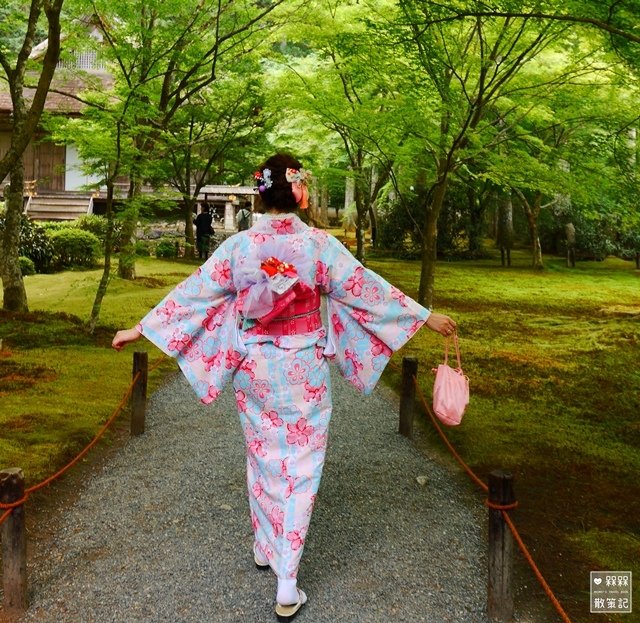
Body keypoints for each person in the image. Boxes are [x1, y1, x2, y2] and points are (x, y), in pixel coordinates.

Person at [112, 153, 456, 621]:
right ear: (298, 192)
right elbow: (365, 288)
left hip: (255, 369)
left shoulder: (239, 247)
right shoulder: (318, 246)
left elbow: (194, 293)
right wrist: (423, 317)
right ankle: (287, 581)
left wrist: (142, 328)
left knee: (262, 455)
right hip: (303, 371)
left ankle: (264, 545)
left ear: (261, 193)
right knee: (301, 466)